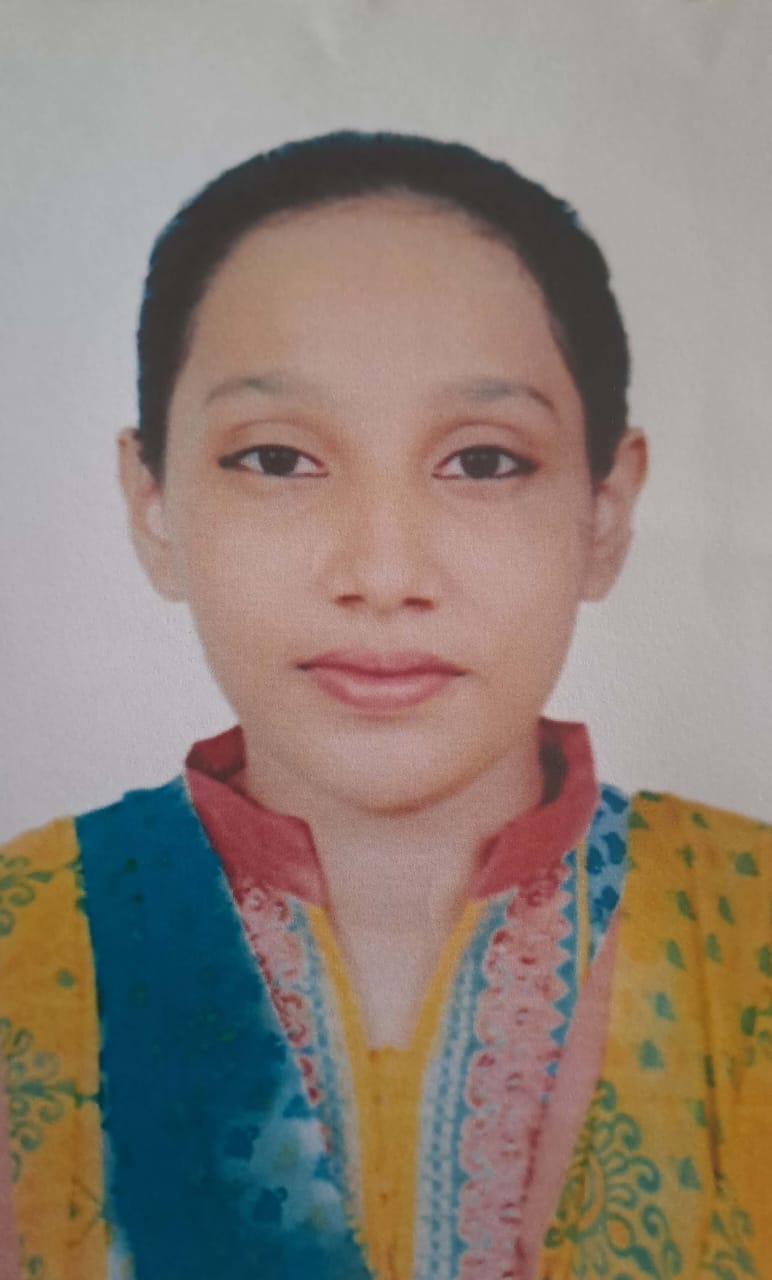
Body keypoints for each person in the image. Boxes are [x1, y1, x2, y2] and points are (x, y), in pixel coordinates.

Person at [0, 131, 769, 1280]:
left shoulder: (749, 937)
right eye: (276, 458)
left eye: (483, 461)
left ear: (603, 511)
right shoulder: (20, 943)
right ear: (152, 502)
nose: (382, 570)